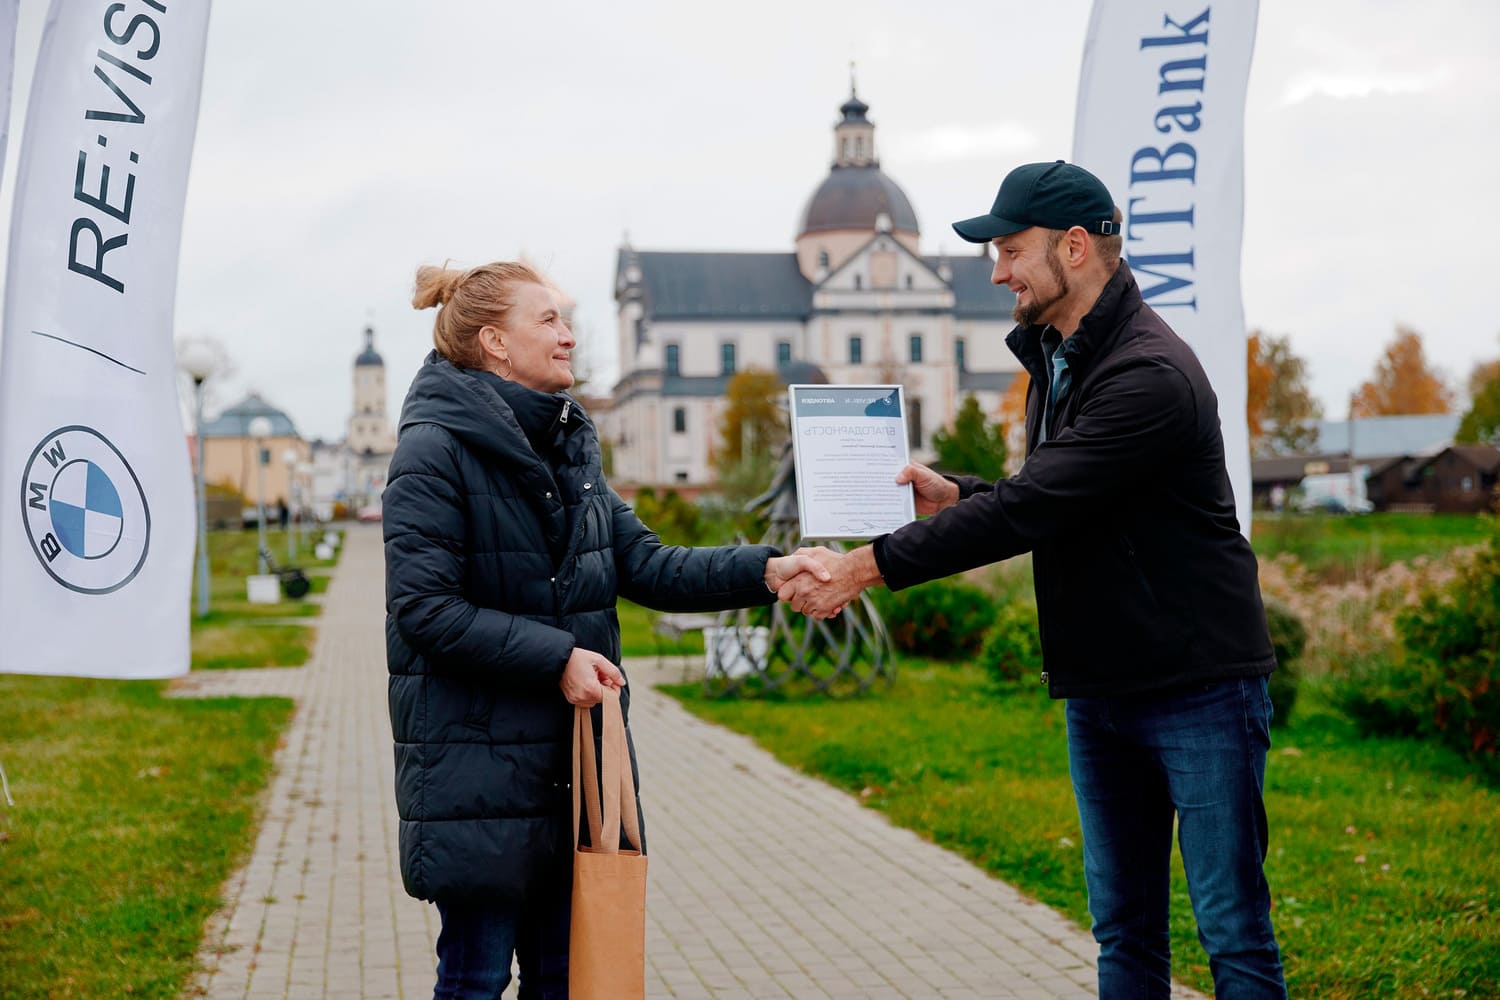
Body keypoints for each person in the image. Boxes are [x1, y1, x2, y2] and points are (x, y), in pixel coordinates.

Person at [780, 161, 1288, 998]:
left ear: (1076, 248)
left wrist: (863, 567)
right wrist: (960, 496)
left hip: (1197, 688)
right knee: (1124, 931)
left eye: (1011, 251)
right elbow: (1059, 499)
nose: (996, 271)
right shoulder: (1059, 357)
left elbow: (1035, 506)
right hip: (1103, 689)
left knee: (1232, 935)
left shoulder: (1147, 373)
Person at [384, 260, 827, 999]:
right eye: (549, 320)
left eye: (566, 320)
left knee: (567, 979)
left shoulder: (569, 447)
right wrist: (558, 657)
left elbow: (649, 566)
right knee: (475, 979)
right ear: (495, 342)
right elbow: (426, 610)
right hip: (477, 778)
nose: (568, 336)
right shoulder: (433, 452)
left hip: (574, 771)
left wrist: (769, 571)